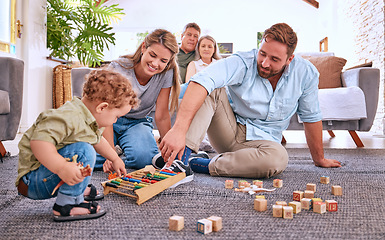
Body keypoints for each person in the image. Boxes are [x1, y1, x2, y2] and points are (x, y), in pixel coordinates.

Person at [156, 23, 342, 179]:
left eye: (275, 59)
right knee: (212, 87)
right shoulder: (243, 61)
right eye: (263, 54)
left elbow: (311, 116)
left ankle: (200, 164)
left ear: (289, 59)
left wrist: (320, 159)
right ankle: (178, 161)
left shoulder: (306, 74)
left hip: (262, 145)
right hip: (229, 131)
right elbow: (201, 81)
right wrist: (179, 130)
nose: (265, 63)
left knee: (278, 159)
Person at [16, 69, 138, 222]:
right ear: (102, 108)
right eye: (117, 117)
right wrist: (62, 167)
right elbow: (39, 143)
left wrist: (115, 159)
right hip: (32, 181)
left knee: (85, 148)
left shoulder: (87, 118)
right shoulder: (68, 117)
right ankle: (66, 205)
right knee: (84, 150)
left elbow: (98, 140)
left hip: (44, 176)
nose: (115, 121)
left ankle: (75, 189)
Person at [98, 29, 185, 176]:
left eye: (163, 61)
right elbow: (106, 111)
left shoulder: (166, 73)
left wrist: (168, 149)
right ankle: (116, 154)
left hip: (136, 123)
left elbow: (162, 115)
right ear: (144, 47)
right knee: (86, 156)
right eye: (153, 55)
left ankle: (121, 155)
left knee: (144, 158)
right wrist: (110, 153)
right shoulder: (119, 67)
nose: (155, 64)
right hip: (107, 121)